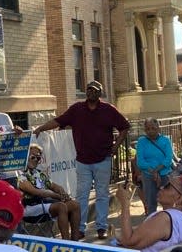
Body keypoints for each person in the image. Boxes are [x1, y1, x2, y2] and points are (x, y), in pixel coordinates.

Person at [33, 80, 129, 240]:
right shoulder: (77, 109)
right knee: (82, 195)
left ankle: (101, 227)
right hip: (83, 161)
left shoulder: (108, 110)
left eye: (95, 90)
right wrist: (41, 128)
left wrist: (116, 146)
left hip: (102, 159)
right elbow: (59, 121)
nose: (91, 92)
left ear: (100, 93)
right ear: (86, 92)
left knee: (102, 194)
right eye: (89, 90)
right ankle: (80, 228)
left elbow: (124, 127)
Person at [17, 144, 82, 240]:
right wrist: (56, 196)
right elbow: (36, 192)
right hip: (28, 207)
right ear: (25, 156)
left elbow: (55, 186)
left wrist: (63, 193)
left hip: (44, 204)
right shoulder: (20, 174)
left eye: (38, 158)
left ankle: (75, 242)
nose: (35, 160)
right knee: (61, 206)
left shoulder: (39, 173)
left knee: (75, 204)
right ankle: (66, 243)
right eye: (33, 157)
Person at [135, 118, 175, 214]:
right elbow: (140, 161)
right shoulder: (141, 141)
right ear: (145, 130)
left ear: (158, 128)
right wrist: (153, 172)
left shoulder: (165, 140)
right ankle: (152, 222)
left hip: (165, 174)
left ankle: (169, 221)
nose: (151, 131)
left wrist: (156, 171)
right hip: (148, 175)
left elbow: (168, 159)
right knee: (151, 203)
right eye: (148, 129)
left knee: (168, 202)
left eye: (153, 128)